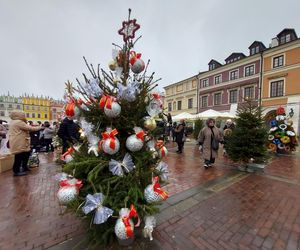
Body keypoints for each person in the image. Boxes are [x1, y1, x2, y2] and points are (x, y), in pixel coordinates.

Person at [8, 111, 42, 176]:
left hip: (20, 141)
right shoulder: (18, 122)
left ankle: (24, 167)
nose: (24, 116)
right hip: (19, 142)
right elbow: (30, 128)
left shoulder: (14, 121)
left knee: (25, 154)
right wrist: (40, 127)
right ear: (18, 115)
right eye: (23, 115)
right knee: (19, 156)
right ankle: (16, 171)